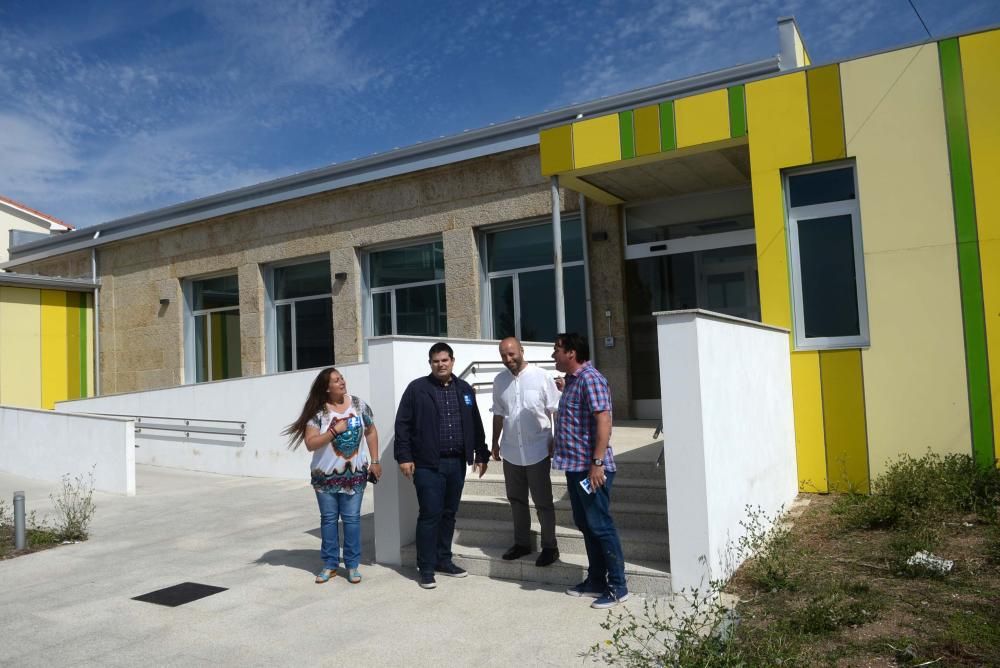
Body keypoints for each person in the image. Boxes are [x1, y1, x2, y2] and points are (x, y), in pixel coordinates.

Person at [394, 341, 490, 590]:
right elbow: (402, 425)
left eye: (445, 360)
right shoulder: (417, 389)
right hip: (428, 465)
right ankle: (426, 568)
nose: (441, 364)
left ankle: (443, 561)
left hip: (456, 462)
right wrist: (404, 457)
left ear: (452, 361)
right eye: (436, 361)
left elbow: (475, 423)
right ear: (430, 364)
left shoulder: (465, 389)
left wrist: (481, 453)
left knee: (449, 514)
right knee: (430, 515)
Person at [551, 333, 629, 609]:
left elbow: (603, 422)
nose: (553, 355)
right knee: (586, 525)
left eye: (557, 350)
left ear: (571, 353)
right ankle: (596, 580)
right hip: (574, 467)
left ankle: (618, 586)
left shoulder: (591, 379)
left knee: (600, 525)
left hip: (591, 469)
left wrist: (597, 464)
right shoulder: (573, 382)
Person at [284, 367, 381, 585]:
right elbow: (311, 443)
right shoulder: (318, 413)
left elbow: (371, 431)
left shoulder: (359, 405)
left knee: (352, 520)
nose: (342, 382)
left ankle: (353, 565)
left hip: (354, 475)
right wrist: (335, 430)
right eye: (336, 380)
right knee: (328, 520)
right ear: (326, 388)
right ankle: (329, 564)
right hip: (325, 477)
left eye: (342, 378)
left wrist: (374, 460)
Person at [491, 336, 561, 567]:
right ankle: (522, 544)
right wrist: (495, 443)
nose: (508, 359)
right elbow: (499, 414)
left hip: (538, 450)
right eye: (503, 355)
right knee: (516, 500)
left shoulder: (542, 377)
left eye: (511, 353)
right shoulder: (499, 381)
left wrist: (556, 439)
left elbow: (555, 410)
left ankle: (550, 547)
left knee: (542, 502)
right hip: (511, 450)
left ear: (522, 350)